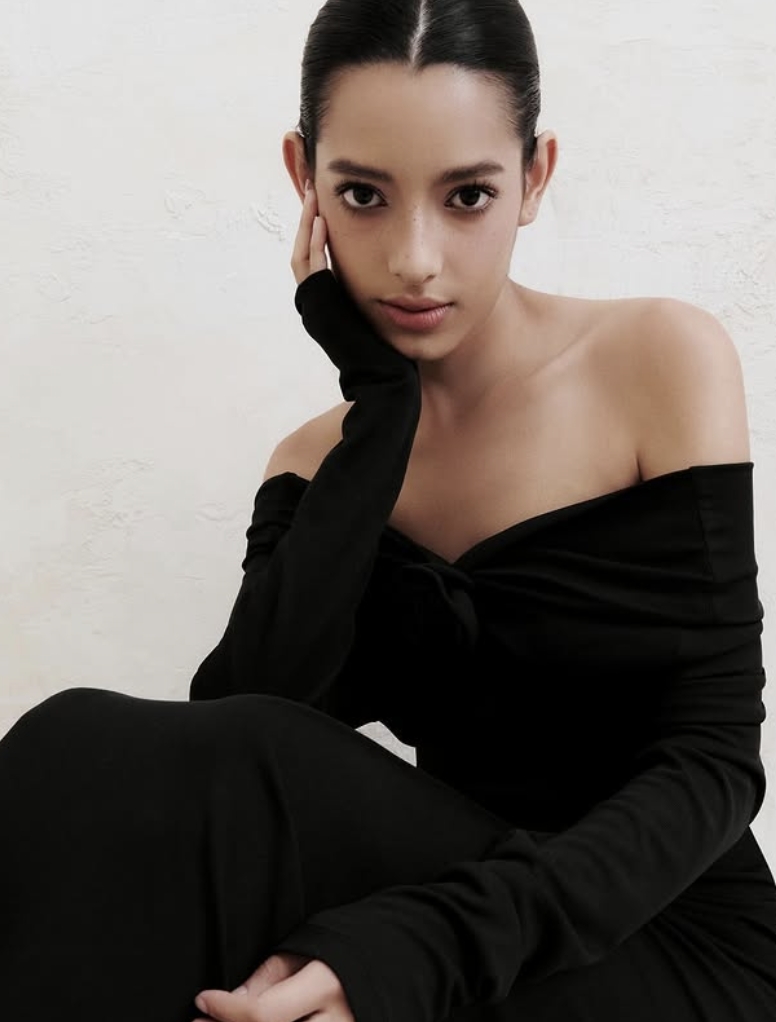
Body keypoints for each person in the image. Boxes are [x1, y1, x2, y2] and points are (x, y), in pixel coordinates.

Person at [1, 1, 774, 1020]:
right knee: (76, 751)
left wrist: (410, 950)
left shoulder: (656, 362)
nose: (414, 259)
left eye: (467, 196)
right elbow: (235, 737)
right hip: (450, 894)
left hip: (666, 941)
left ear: (535, 177)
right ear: (303, 179)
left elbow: (714, 764)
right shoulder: (314, 466)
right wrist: (380, 413)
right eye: (363, 195)